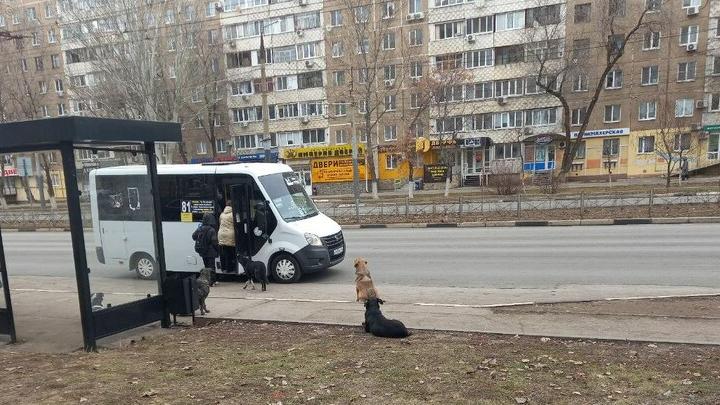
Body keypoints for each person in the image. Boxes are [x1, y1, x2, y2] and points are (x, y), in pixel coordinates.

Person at [218, 201, 236, 273]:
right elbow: (237, 223)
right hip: (230, 234)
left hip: (221, 234)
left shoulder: (222, 214)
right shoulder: (233, 214)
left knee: (224, 251)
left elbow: (220, 222)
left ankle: (224, 268)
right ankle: (230, 268)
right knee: (231, 252)